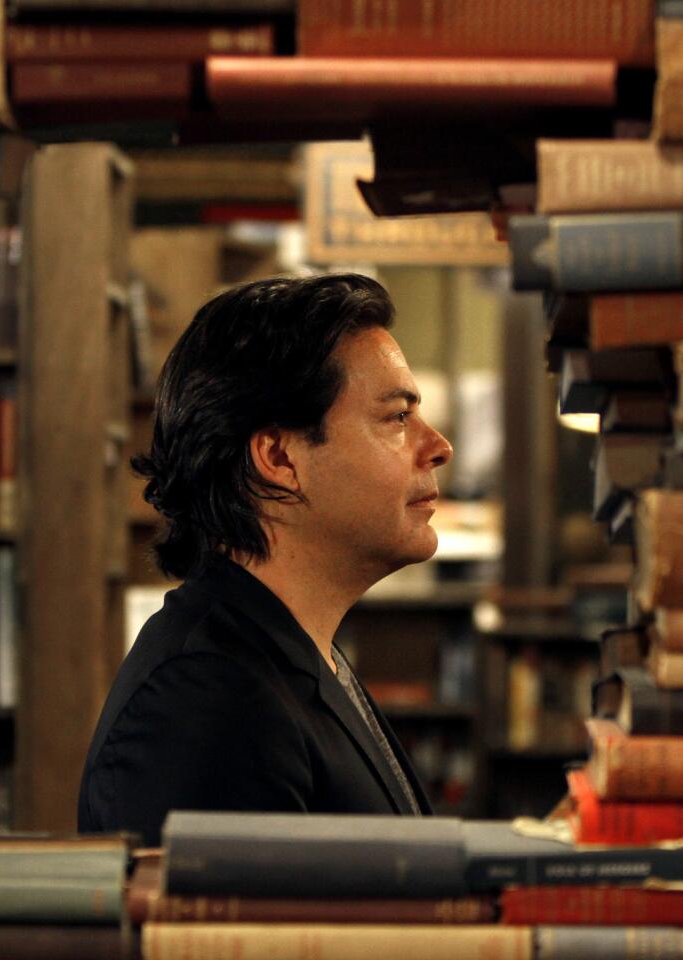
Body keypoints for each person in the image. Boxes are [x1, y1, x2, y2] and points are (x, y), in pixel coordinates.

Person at [77, 273, 454, 846]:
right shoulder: (202, 701)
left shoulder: (290, 650)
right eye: (397, 418)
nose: (438, 446)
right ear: (279, 457)